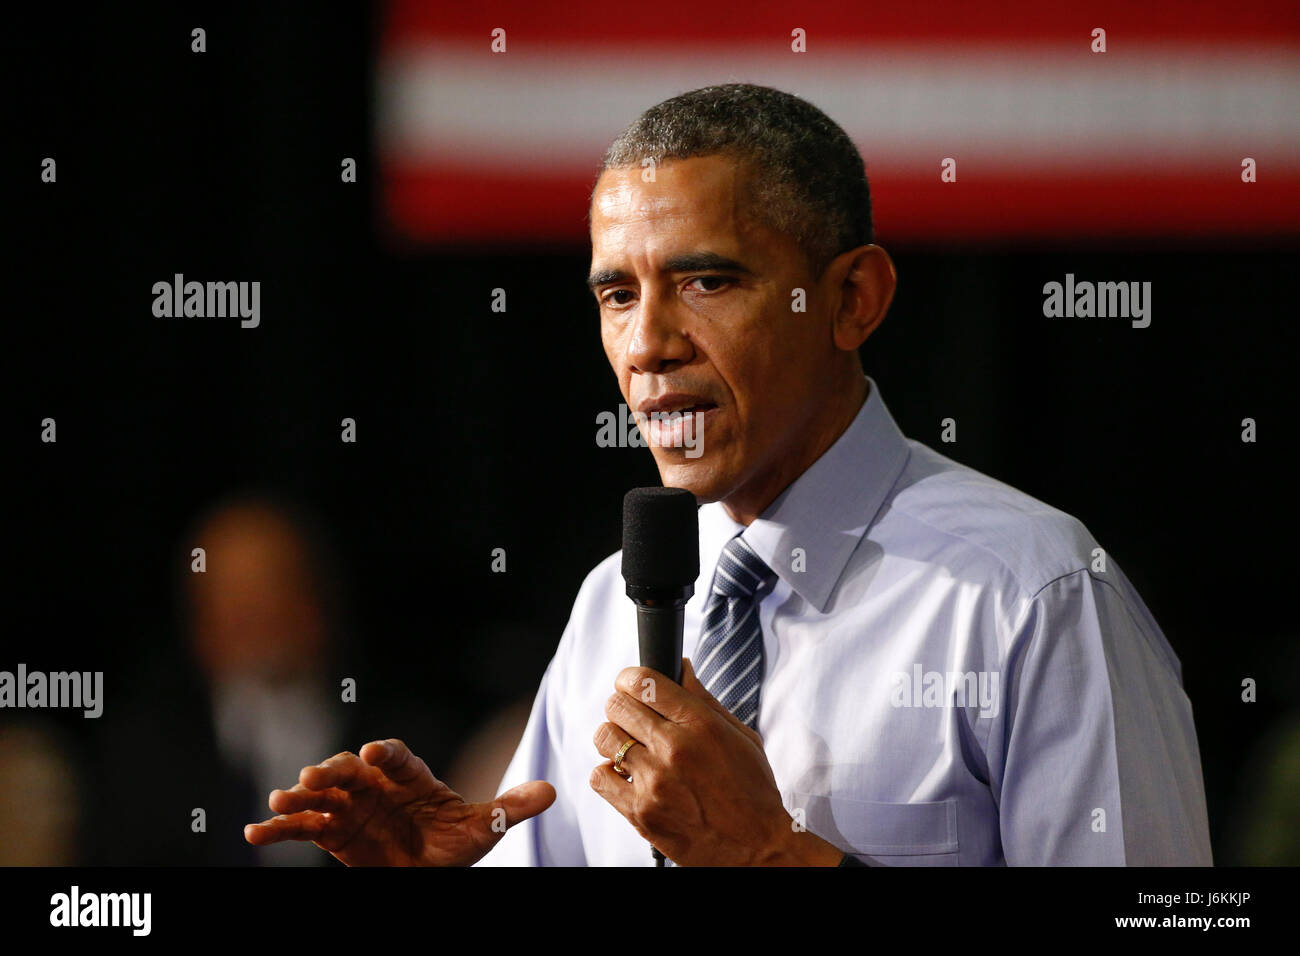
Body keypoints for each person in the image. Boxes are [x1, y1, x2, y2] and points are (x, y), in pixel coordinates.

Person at [244, 83, 1212, 866]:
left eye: (706, 282)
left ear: (852, 299)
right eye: (617, 294)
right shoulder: (611, 604)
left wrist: (767, 855)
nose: (648, 344)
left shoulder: (1029, 591)